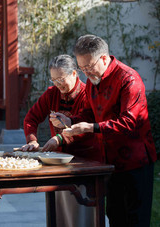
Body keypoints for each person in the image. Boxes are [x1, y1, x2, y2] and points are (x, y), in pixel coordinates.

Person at [50, 34, 157, 227]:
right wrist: (70, 120)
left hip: (136, 162)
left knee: (135, 221)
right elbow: (89, 113)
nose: (87, 73)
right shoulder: (93, 80)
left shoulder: (129, 79)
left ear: (105, 58)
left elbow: (129, 122)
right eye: (82, 69)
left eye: (90, 66)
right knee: (115, 217)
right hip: (109, 162)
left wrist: (92, 128)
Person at [21, 54, 102, 227]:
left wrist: (59, 138)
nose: (57, 84)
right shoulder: (52, 94)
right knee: (59, 212)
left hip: (86, 163)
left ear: (74, 73)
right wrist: (33, 140)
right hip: (58, 164)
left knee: (83, 213)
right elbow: (31, 118)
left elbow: (86, 126)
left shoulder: (88, 93)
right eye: (54, 80)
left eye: (61, 79)